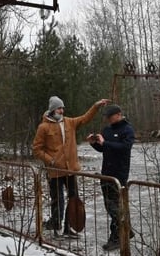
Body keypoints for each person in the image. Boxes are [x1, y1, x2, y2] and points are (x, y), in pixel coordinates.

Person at [33, 95, 110, 237]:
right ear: (52, 110)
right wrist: (50, 160)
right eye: (58, 108)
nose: (61, 111)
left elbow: (85, 118)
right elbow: (37, 149)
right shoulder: (43, 127)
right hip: (55, 171)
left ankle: (70, 227)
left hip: (71, 170)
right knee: (57, 199)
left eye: (62, 108)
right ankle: (57, 226)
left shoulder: (70, 122)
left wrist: (96, 106)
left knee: (73, 198)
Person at [88, 104, 135, 251]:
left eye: (110, 116)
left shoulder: (127, 130)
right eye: (107, 117)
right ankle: (125, 230)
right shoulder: (107, 130)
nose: (108, 119)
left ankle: (118, 236)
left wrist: (105, 143)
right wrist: (94, 144)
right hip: (106, 171)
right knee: (110, 205)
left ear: (119, 114)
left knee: (116, 205)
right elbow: (104, 148)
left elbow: (125, 148)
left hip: (119, 173)